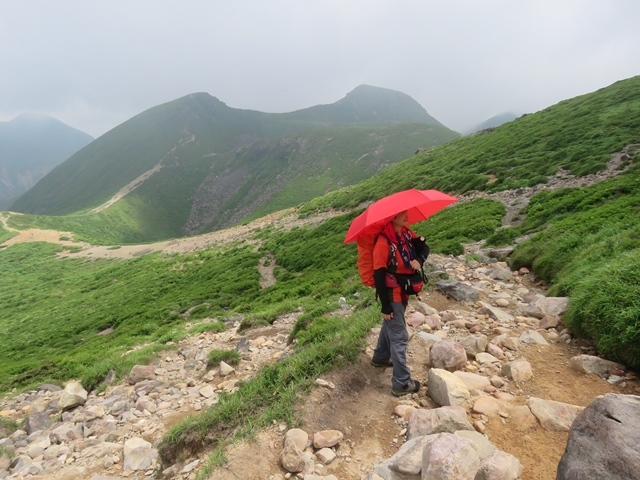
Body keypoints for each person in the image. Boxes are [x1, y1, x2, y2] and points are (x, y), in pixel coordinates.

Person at [370, 210, 422, 396]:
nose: (406, 215)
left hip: (403, 291)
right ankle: (401, 383)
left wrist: (419, 259)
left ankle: (381, 357)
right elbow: (378, 275)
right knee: (399, 337)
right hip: (393, 295)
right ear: (392, 217)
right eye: (402, 213)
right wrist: (385, 306)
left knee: (391, 325)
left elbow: (424, 247)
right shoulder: (383, 242)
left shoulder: (406, 234)